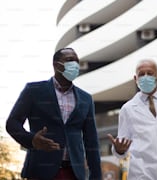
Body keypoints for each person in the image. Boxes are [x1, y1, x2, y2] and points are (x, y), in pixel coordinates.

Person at [6, 48, 102, 180]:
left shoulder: (86, 98)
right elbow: (12, 123)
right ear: (56, 65)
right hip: (40, 171)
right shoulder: (33, 91)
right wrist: (32, 140)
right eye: (69, 60)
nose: (75, 64)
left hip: (74, 173)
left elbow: (91, 141)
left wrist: (96, 176)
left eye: (77, 61)